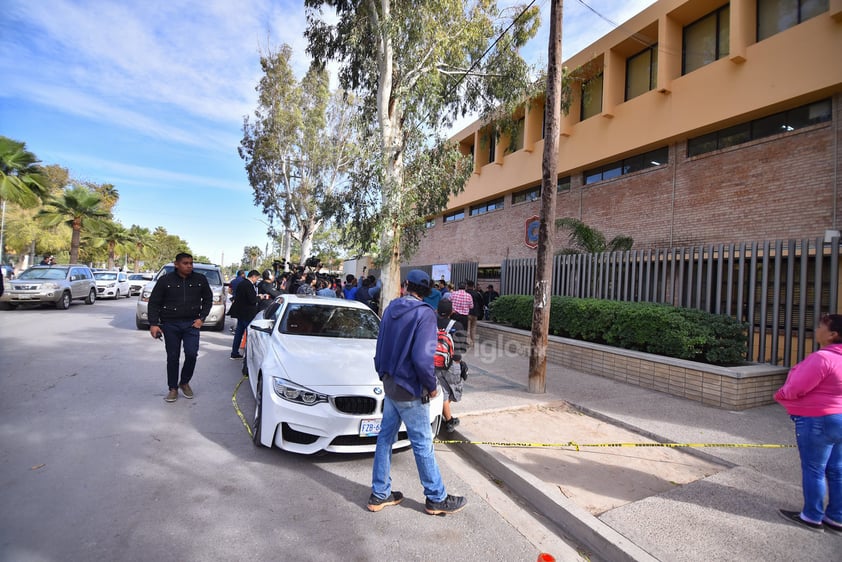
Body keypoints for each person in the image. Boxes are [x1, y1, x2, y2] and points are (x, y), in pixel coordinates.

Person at [368, 269, 467, 516]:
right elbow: (423, 359)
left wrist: (382, 372)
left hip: (391, 385)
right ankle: (436, 497)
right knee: (423, 443)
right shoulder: (425, 315)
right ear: (427, 292)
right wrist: (432, 387)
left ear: (405, 285)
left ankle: (379, 494)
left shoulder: (391, 308)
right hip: (412, 390)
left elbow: (380, 344)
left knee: (384, 439)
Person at [774, 313, 842, 533]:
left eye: (821, 325)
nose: (817, 328)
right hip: (839, 419)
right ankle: (836, 517)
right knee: (837, 470)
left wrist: (781, 394)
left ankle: (812, 516)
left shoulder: (822, 358)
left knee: (814, 469)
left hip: (818, 420)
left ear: (833, 334)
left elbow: (796, 388)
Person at [147, 253, 213, 403]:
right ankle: (173, 389)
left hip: (192, 324)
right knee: (172, 357)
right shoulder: (165, 280)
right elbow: (154, 303)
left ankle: (184, 382)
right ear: (176, 264)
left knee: (191, 354)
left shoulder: (200, 279)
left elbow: (208, 299)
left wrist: (201, 318)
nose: (189, 266)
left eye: (191, 263)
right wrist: (154, 324)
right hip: (170, 324)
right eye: (185, 263)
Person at [435, 299, 468, 433]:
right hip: (452, 364)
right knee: (454, 392)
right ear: (452, 312)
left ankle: (446, 417)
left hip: (435, 363)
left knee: (442, 391)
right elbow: (461, 348)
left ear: (437, 311)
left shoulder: (431, 323)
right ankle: (448, 420)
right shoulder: (458, 325)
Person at [229, 270, 265, 359]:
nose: (256, 280)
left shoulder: (242, 283)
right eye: (257, 278)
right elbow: (252, 300)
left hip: (241, 312)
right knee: (250, 334)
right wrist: (260, 297)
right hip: (248, 313)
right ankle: (248, 355)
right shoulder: (248, 285)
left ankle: (234, 352)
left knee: (238, 333)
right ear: (253, 276)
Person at [466, 280, 484, 347]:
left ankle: (468, 342)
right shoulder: (477, 294)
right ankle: (473, 342)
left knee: (468, 328)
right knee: (473, 328)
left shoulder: (466, 293)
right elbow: (481, 303)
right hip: (475, 313)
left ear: (467, 285)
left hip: (468, 312)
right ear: (473, 286)